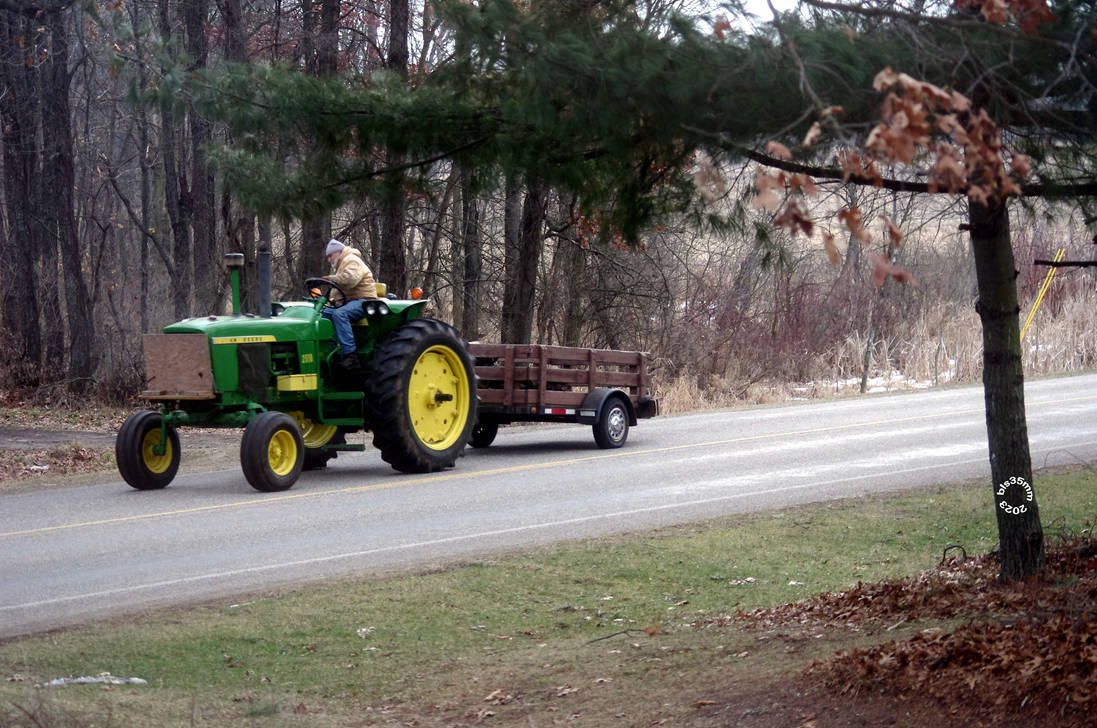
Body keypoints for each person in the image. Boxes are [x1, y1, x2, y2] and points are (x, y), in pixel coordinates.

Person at [320, 238, 379, 371]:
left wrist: (331, 279)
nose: (329, 260)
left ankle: (350, 356)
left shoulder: (351, 260)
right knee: (322, 315)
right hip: (348, 302)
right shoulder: (342, 264)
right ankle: (331, 352)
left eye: (330, 256)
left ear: (338, 252)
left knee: (340, 314)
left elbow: (350, 280)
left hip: (364, 300)